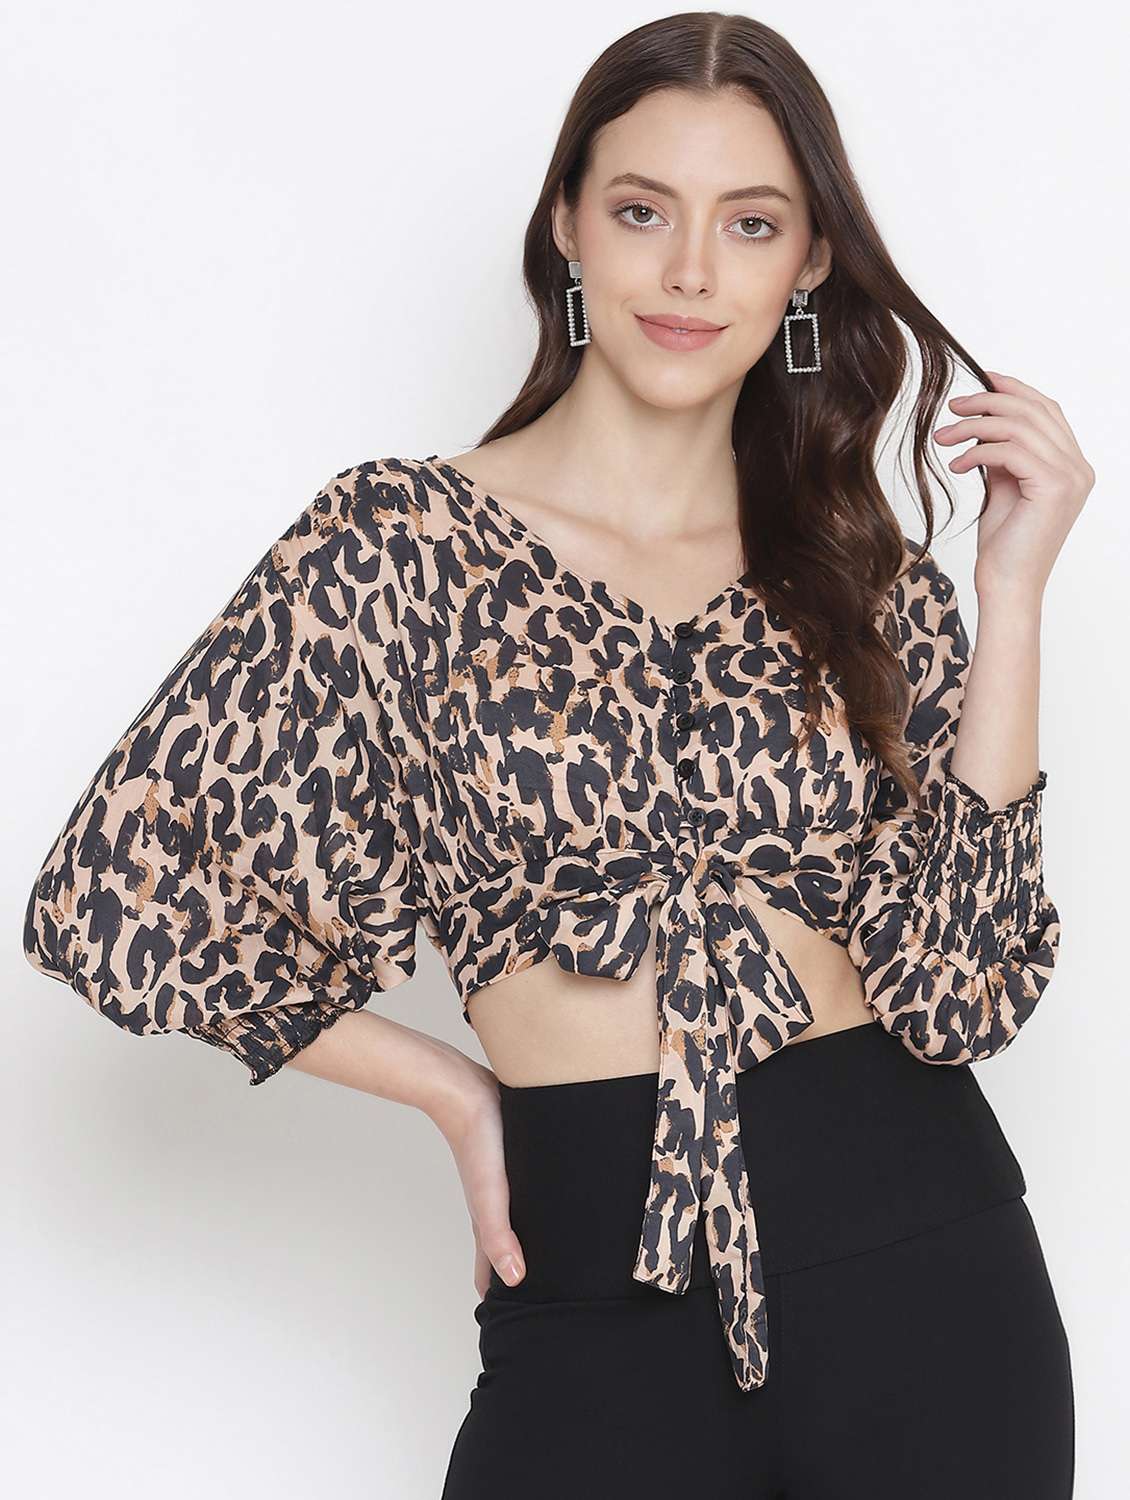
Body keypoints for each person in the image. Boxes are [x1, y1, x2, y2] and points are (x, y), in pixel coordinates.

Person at [22, 13, 1087, 1498]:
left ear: (809, 264)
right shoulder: (396, 547)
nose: (691, 271)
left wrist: (1011, 593)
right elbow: (115, 901)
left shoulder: (857, 568)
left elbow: (960, 985)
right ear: (569, 227)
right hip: (589, 1280)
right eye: (644, 211)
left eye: (751, 223)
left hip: (925, 1271)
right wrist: (459, 1093)